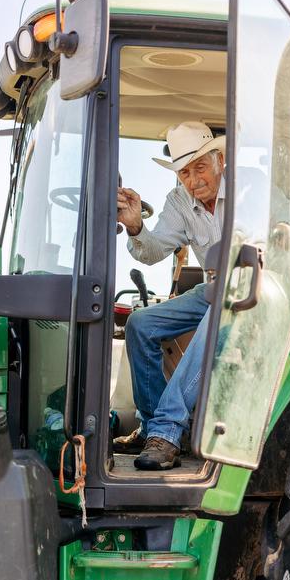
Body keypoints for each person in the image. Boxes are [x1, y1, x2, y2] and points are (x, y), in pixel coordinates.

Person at [115, 121, 225, 471]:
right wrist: (135, 226)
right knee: (140, 322)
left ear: (219, 159)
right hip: (213, 287)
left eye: (201, 168)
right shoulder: (179, 201)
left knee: (220, 311)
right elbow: (154, 249)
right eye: (184, 173)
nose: (194, 180)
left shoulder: (251, 190)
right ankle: (151, 429)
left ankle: (168, 430)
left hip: (255, 288)